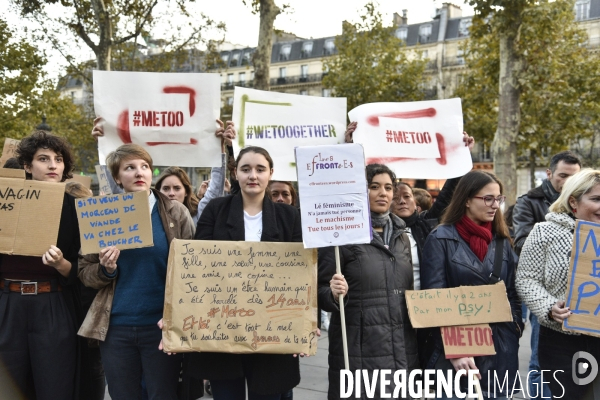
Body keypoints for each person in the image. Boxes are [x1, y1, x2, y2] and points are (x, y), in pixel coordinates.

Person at [78, 144, 195, 400]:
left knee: (162, 394)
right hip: (116, 327)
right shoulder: (102, 214)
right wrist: (106, 269)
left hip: (161, 326)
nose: (139, 172)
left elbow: (193, 270)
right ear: (118, 177)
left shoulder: (176, 212)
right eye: (130, 168)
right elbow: (84, 271)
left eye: (144, 166)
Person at [187, 146, 302, 400]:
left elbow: (300, 274)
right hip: (223, 327)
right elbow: (197, 267)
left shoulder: (289, 217)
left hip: (274, 329)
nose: (253, 175)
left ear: (270, 173)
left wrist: (305, 325)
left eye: (260, 169)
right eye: (246, 169)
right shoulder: (216, 210)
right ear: (235, 173)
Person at [319, 163, 418, 399]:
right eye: (374, 187)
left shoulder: (402, 236)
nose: (383, 193)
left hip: (402, 344)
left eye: (388, 187)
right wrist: (332, 293)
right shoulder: (339, 235)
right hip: (358, 347)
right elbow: (319, 290)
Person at [420, 170, 522, 399]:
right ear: (466, 200)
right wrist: (456, 349)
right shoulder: (440, 238)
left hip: (500, 351)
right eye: (488, 198)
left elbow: (512, 293)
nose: (495, 205)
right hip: (459, 356)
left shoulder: (502, 240)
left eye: (498, 199)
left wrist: (514, 329)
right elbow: (434, 299)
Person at [0, 131, 81, 400]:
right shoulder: (6, 202)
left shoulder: (75, 208)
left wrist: (61, 264)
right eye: (43, 159)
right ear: (27, 165)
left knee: (55, 386)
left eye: (58, 159)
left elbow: (81, 271)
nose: (52, 165)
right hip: (7, 304)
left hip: (52, 304)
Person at [517, 169, 600, 399]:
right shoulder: (545, 233)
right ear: (573, 201)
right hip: (562, 341)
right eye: (596, 199)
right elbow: (526, 279)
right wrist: (549, 307)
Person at [512, 150, 581, 398]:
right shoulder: (529, 201)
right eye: (563, 175)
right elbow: (521, 242)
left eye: (574, 176)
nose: (567, 181)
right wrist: (555, 243)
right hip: (549, 295)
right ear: (550, 174)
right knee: (541, 362)